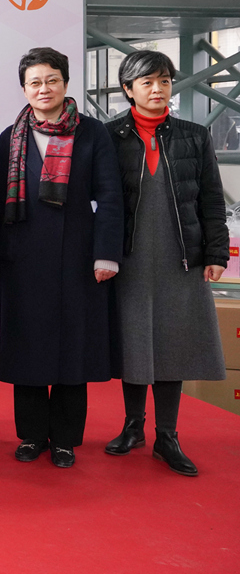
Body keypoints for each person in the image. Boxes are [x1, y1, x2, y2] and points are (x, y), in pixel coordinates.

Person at [0, 47, 123, 469]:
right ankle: (32, 435)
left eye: (52, 80)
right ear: (24, 89)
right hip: (23, 256)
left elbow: (110, 197)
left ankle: (65, 439)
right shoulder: (9, 137)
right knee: (27, 344)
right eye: (35, 82)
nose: (43, 88)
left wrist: (106, 255)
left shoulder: (92, 133)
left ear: (65, 83)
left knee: (72, 347)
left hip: (77, 255)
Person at [105, 50, 227, 476]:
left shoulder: (195, 136)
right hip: (130, 257)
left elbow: (212, 199)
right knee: (134, 341)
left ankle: (167, 436)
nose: (158, 89)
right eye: (147, 82)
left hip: (181, 257)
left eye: (164, 81)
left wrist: (216, 253)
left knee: (172, 344)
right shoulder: (109, 136)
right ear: (128, 90)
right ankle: (133, 426)